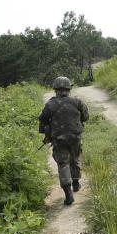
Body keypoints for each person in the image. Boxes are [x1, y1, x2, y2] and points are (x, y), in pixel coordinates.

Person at [38, 76, 90, 205]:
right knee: (75, 160)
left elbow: (42, 120)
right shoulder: (77, 102)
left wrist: (47, 133)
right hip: (75, 138)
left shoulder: (50, 104)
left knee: (63, 164)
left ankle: (68, 195)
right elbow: (86, 117)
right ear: (69, 88)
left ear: (55, 89)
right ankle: (76, 183)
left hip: (59, 140)